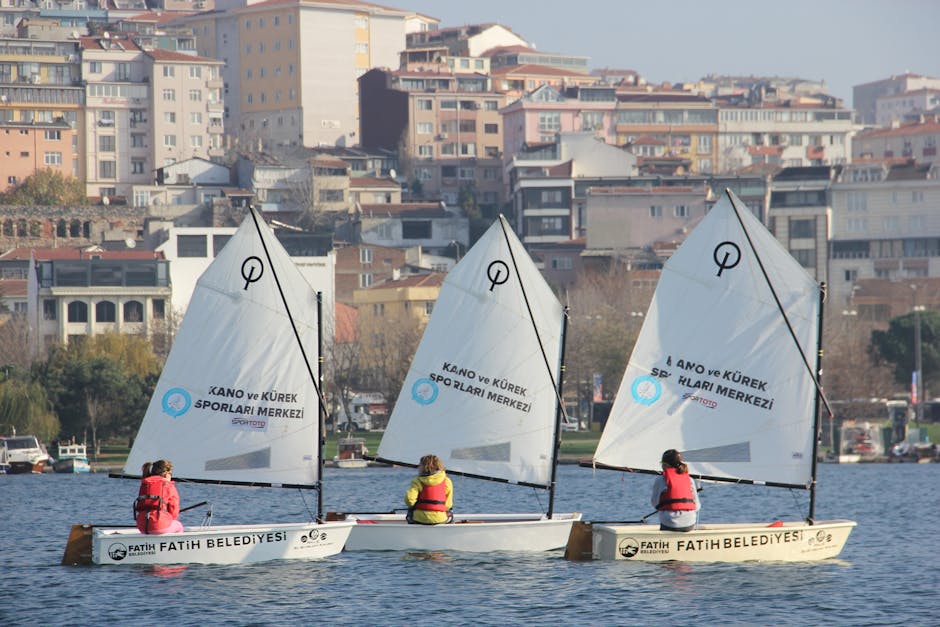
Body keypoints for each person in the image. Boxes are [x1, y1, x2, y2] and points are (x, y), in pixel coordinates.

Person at [651, 449, 699, 532]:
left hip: (669, 524)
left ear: (665, 465)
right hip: (689, 523)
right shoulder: (689, 479)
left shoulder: (660, 479)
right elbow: (697, 505)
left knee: (665, 519)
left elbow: (654, 503)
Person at [134, 459, 184, 534]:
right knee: (179, 526)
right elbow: (174, 512)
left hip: (141, 526)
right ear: (166, 474)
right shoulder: (168, 485)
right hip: (159, 525)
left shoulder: (145, 484)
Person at [405, 454, 454, 525]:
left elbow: (409, 500)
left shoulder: (417, 481)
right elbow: (448, 505)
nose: (418, 467)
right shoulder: (447, 481)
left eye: (420, 465)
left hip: (420, 519)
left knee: (411, 511)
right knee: (449, 513)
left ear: (425, 467)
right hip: (440, 519)